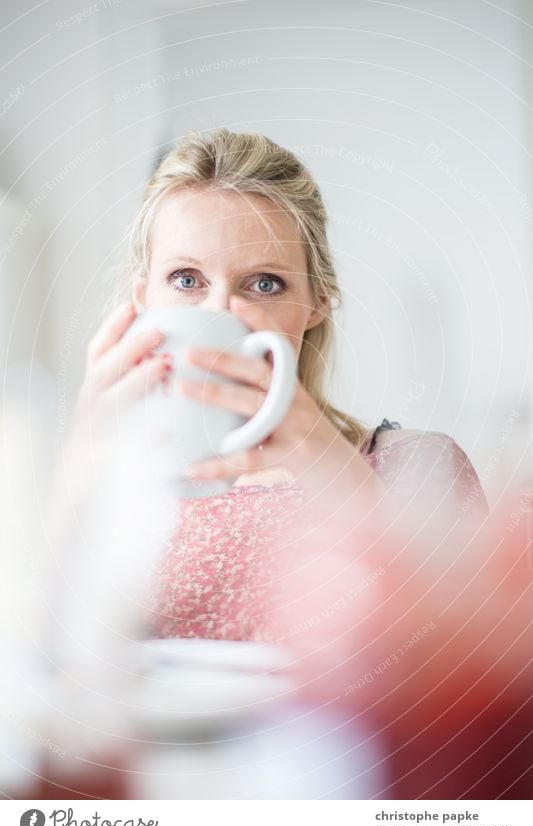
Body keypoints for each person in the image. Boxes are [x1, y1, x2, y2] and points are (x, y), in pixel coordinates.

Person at [66, 127, 488, 643]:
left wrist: (341, 478)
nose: (222, 313)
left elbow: (475, 682)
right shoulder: (116, 490)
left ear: (316, 305)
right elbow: (57, 669)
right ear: (142, 302)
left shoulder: (420, 471)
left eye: (264, 284)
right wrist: (82, 465)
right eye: (186, 279)